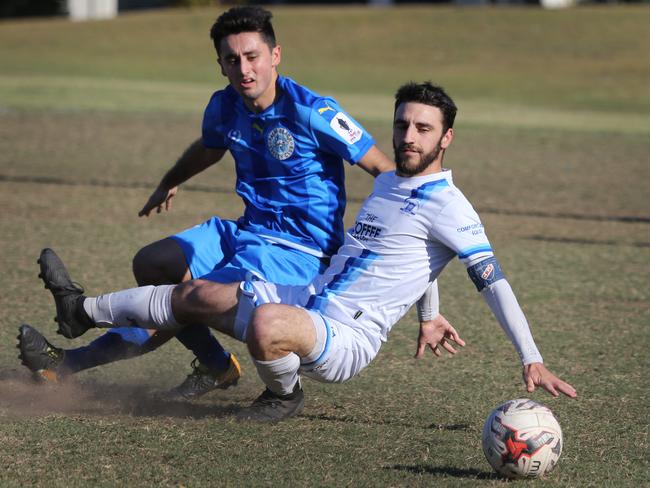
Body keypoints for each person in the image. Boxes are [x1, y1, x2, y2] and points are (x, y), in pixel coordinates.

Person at [21, 82, 577, 423]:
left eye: (423, 129)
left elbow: (492, 280)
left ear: (446, 138)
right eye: (403, 124)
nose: (409, 136)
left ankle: (283, 395)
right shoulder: (389, 187)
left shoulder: (451, 206)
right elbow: (412, 257)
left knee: (266, 324)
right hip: (310, 296)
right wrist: (429, 316)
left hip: (347, 336)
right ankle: (81, 310)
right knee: (195, 291)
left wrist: (530, 357)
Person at [18, 6, 400, 399]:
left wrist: (411, 276)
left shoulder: (313, 111)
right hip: (246, 231)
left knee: (185, 299)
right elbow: (210, 147)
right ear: (220, 64)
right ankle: (216, 366)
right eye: (232, 60)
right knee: (153, 263)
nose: (244, 69)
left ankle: (67, 363)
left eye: (252, 56)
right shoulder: (224, 106)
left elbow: (387, 173)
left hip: (299, 251)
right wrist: (171, 181)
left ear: (275, 55)